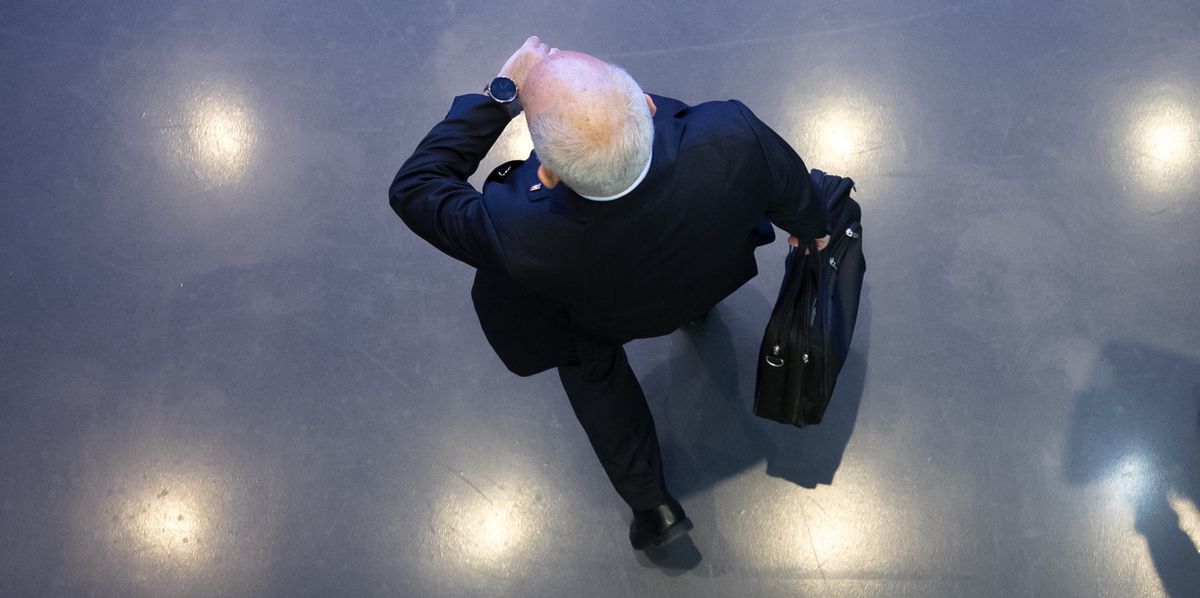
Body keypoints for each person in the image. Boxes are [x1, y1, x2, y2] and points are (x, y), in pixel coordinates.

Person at [389, 36, 828, 551]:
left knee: (593, 378)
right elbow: (794, 190)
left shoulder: (517, 231)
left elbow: (415, 187)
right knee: (685, 283)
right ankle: (695, 315)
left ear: (547, 174)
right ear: (644, 103)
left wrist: (502, 94)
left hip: (602, 319)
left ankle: (653, 506)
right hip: (704, 273)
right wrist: (814, 229)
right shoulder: (730, 135)